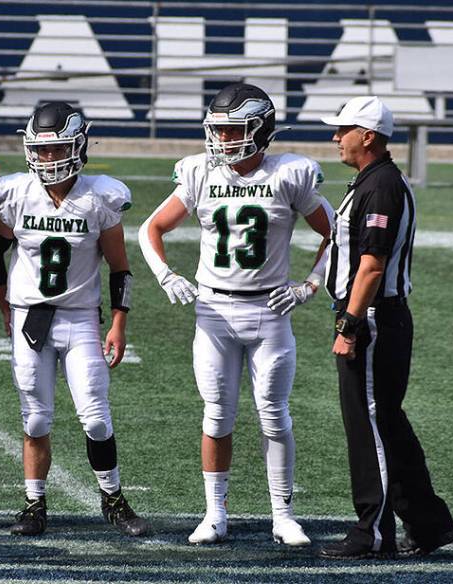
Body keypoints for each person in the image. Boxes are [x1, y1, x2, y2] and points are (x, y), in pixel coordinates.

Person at [138, 83, 333, 546]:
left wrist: (309, 284)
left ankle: (282, 515)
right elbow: (151, 228)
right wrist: (167, 275)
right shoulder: (201, 172)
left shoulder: (289, 173)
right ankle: (215, 513)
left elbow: (337, 234)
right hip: (213, 312)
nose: (222, 140)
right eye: (219, 131)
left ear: (261, 130)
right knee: (217, 415)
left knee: (274, 414)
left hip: (270, 310)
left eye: (232, 131)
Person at [0, 102, 149, 538]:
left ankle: (113, 498)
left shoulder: (99, 197)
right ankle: (34, 503)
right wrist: (3, 304)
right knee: (35, 418)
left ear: (78, 147)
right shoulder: (18, 193)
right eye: (40, 151)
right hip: (29, 317)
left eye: (58, 149)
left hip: (80, 318)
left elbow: (120, 268)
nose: (48, 159)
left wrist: (118, 323)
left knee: (95, 415)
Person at [318, 96, 453, 559]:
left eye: (344, 130)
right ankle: (429, 523)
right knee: (389, 423)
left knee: (371, 427)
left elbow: (372, 265)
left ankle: (372, 533)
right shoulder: (373, 181)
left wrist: (349, 323)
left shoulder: (379, 187)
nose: (336, 138)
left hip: (374, 318)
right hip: (380, 317)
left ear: (370, 136)